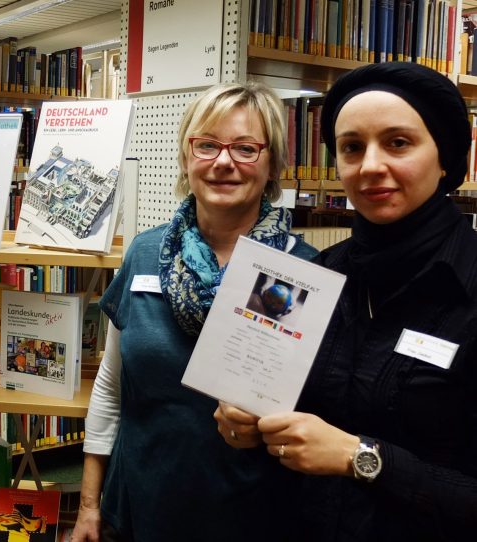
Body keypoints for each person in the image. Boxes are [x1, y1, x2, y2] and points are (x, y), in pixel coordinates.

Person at [215, 62, 477, 540]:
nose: (371, 166)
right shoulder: (307, 276)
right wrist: (244, 424)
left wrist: (361, 458)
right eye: (352, 147)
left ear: (445, 159)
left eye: (398, 142)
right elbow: (264, 413)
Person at [70, 81, 318, 542]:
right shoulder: (144, 254)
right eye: (207, 145)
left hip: (251, 517)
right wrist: (89, 505)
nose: (224, 162)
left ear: (273, 165)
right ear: (186, 158)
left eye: (246, 148)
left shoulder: (299, 272)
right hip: (140, 507)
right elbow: (110, 387)